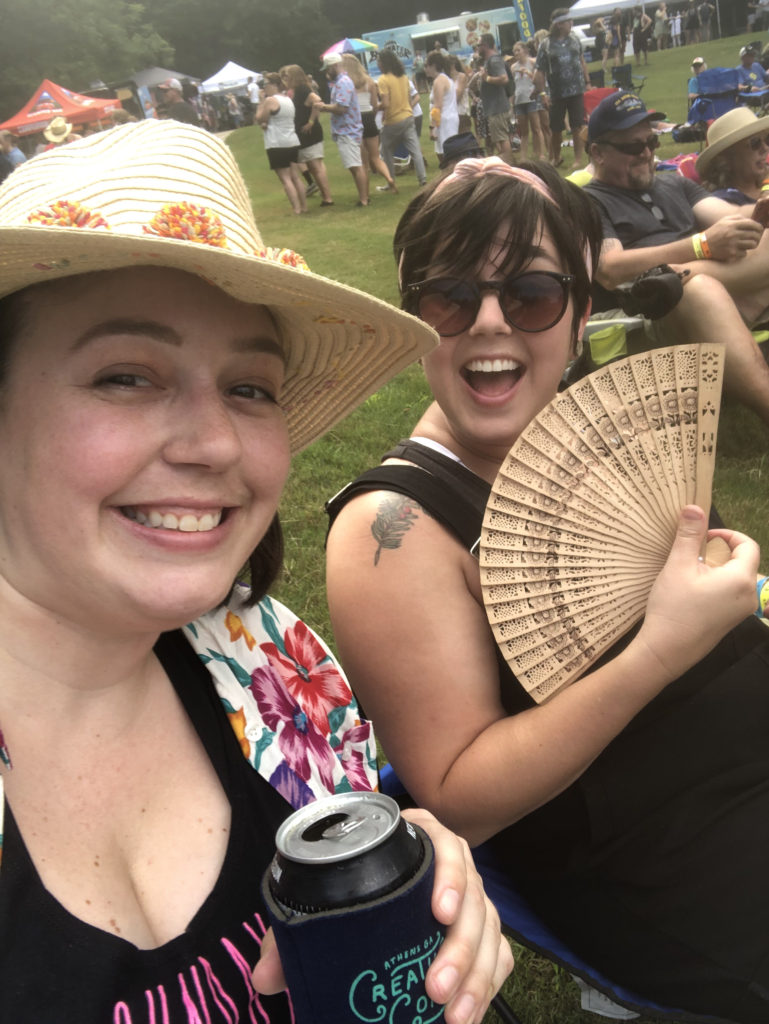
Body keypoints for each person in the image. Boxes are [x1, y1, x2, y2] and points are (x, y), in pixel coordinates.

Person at [0, 118, 513, 1022]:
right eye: (127, 375)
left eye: (250, 387)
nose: (213, 444)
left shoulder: (272, 659)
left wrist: (406, 898)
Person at [325, 155, 769, 1023]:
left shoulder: (621, 430)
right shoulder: (393, 531)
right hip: (657, 857)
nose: (487, 323)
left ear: (580, 316)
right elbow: (457, 798)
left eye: (529, 294)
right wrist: (660, 650)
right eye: (448, 295)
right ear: (415, 319)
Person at [582, 92, 769, 425]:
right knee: (691, 288)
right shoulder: (589, 202)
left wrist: (758, 213)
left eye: (652, 142)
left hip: (707, 286)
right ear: (598, 152)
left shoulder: (674, 185)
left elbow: (732, 215)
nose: (647, 153)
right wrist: (699, 246)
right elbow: (610, 269)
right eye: (632, 147)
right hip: (657, 304)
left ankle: (726, 294)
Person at [533, 8, 591, 168]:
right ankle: (556, 157)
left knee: (577, 125)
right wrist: (543, 93)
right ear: (558, 24)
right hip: (556, 93)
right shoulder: (546, 44)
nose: (571, 23)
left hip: (576, 90)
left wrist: (587, 82)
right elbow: (540, 71)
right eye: (568, 21)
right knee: (556, 128)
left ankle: (578, 160)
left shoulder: (575, 39)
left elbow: (582, 61)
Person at [314, 53, 369, 207]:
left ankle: (364, 199)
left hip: (348, 130)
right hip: (347, 129)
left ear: (334, 66)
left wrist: (322, 107)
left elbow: (341, 108)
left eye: (328, 68)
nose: (327, 72)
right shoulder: (341, 82)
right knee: (354, 166)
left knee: (356, 166)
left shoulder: (343, 82)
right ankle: (363, 197)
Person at [340, 53, 398, 194]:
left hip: (355, 120)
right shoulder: (369, 81)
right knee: (376, 157)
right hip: (369, 119)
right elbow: (374, 104)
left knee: (363, 162)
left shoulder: (346, 82)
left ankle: (365, 193)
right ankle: (389, 178)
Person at [279, 64, 334, 206]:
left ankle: (327, 197)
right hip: (303, 134)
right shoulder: (296, 91)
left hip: (310, 133)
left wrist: (311, 121)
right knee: (313, 166)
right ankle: (325, 194)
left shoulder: (303, 89)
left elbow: (317, 101)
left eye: (287, 76)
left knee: (316, 165)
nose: (285, 79)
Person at [255, 73, 306, 216]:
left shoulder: (270, 100)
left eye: (265, 84)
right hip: (292, 140)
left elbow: (260, 118)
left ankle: (296, 209)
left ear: (274, 85)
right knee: (295, 176)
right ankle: (304, 206)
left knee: (285, 178)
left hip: (277, 142)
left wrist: (260, 102)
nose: (264, 87)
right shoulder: (288, 99)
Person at [376, 48, 427, 189]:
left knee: (386, 152)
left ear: (384, 63)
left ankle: (390, 181)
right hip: (409, 117)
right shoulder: (404, 78)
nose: (378, 64)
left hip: (392, 121)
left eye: (379, 61)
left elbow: (385, 104)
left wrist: (376, 107)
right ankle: (422, 179)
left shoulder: (383, 80)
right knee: (415, 150)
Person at [697, 106, 769, 206]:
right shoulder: (723, 204)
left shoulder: (764, 185)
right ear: (726, 157)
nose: (765, 148)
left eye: (767, 139)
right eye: (755, 142)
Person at [476, 33, 512, 156]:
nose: (477, 48)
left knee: (502, 138)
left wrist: (487, 78)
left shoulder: (494, 60)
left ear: (485, 45)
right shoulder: (489, 61)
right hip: (493, 108)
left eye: (478, 45)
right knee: (498, 139)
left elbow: (504, 78)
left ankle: (509, 165)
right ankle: (506, 162)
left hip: (498, 107)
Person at [509, 41, 544, 159]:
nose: (516, 53)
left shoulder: (533, 62)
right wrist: (511, 101)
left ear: (525, 50)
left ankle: (541, 154)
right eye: (514, 51)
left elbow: (538, 79)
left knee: (536, 128)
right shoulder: (513, 67)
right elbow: (513, 85)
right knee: (524, 131)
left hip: (531, 98)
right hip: (519, 100)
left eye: (518, 50)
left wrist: (528, 72)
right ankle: (523, 157)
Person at [426, 50, 460, 162]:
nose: (426, 69)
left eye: (427, 65)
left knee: (448, 154)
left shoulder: (439, 81)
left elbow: (438, 106)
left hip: (445, 121)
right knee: (446, 153)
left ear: (433, 66)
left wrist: (432, 127)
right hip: (449, 119)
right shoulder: (445, 79)